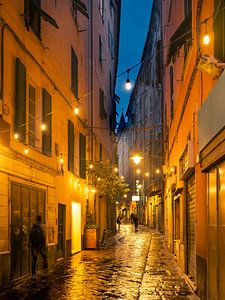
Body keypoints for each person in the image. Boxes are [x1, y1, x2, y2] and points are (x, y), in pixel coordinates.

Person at [30, 215, 48, 279]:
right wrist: (45, 244)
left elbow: (30, 235)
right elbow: (44, 235)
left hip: (34, 246)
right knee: (44, 258)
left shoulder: (33, 226)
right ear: (41, 219)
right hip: (41, 245)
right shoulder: (43, 226)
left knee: (34, 259)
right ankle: (45, 272)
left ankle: (33, 274)